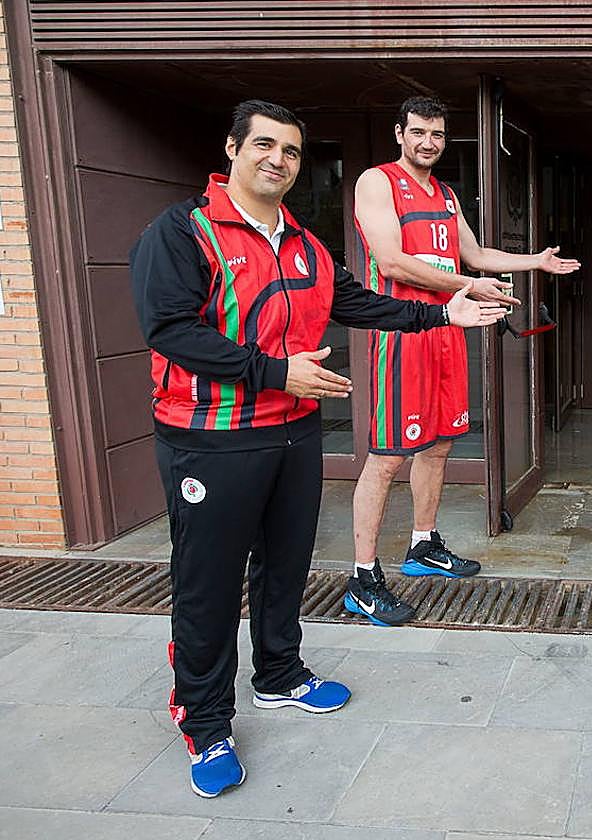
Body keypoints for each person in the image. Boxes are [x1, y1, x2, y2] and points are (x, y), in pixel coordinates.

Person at [131, 99, 506, 798]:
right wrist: (276, 373)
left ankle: (278, 674)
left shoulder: (304, 241)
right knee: (208, 585)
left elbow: (356, 301)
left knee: (285, 566)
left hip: (294, 430)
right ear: (233, 149)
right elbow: (170, 329)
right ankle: (205, 723)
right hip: (210, 438)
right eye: (265, 145)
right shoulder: (182, 231)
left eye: (292, 151)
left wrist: (441, 313)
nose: (278, 159)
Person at [344, 95, 580, 627]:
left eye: (437, 134)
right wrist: (468, 286)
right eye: (418, 132)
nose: (428, 142)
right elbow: (391, 262)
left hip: (449, 331)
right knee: (388, 458)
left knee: (440, 445)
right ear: (400, 133)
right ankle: (362, 577)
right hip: (401, 335)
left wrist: (535, 261)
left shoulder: (447, 195)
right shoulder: (377, 182)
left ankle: (422, 544)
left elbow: (473, 255)